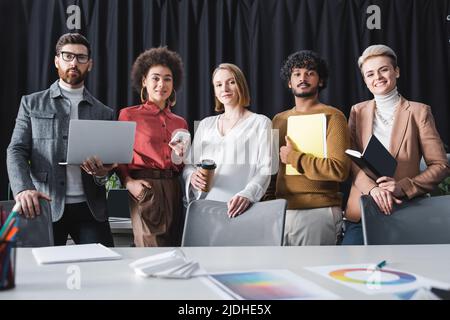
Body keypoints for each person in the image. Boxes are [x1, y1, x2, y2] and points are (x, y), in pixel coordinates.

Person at [7, 33, 116, 246]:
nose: (74, 62)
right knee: (42, 275)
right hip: (44, 205)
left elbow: (106, 172)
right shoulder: (31, 104)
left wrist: (102, 173)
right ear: (57, 60)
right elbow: (16, 150)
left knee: (102, 270)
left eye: (81, 57)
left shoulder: (104, 112)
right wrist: (23, 188)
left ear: (90, 64)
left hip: (91, 210)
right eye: (68, 56)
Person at [343, 44, 450, 245]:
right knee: (350, 268)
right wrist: (373, 189)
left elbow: (441, 165)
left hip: (405, 208)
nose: (378, 77)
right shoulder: (357, 112)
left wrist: (402, 187)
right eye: (370, 74)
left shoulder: (419, 112)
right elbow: (351, 162)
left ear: (396, 71)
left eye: (383, 69)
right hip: (362, 209)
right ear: (365, 80)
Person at [267, 50, 350, 246]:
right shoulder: (278, 120)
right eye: (296, 73)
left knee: (314, 273)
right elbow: (271, 169)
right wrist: (269, 204)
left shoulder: (333, 116)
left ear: (320, 81)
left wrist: (295, 157)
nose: (303, 78)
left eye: (310, 72)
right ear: (289, 82)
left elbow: (339, 170)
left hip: (318, 212)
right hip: (279, 211)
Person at [117, 47, 188, 247]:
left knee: (175, 249)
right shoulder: (128, 115)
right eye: (155, 78)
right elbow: (119, 156)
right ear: (144, 81)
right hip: (145, 188)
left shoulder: (180, 122)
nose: (161, 84)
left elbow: (181, 165)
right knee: (150, 251)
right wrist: (128, 182)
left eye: (167, 79)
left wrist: (182, 158)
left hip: (174, 188)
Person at [183, 63, 274, 218]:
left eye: (231, 82)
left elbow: (265, 169)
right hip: (205, 209)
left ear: (241, 85)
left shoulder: (261, 122)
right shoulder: (206, 124)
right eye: (218, 85)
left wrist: (248, 195)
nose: (224, 89)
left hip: (241, 207)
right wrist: (191, 176)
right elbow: (189, 165)